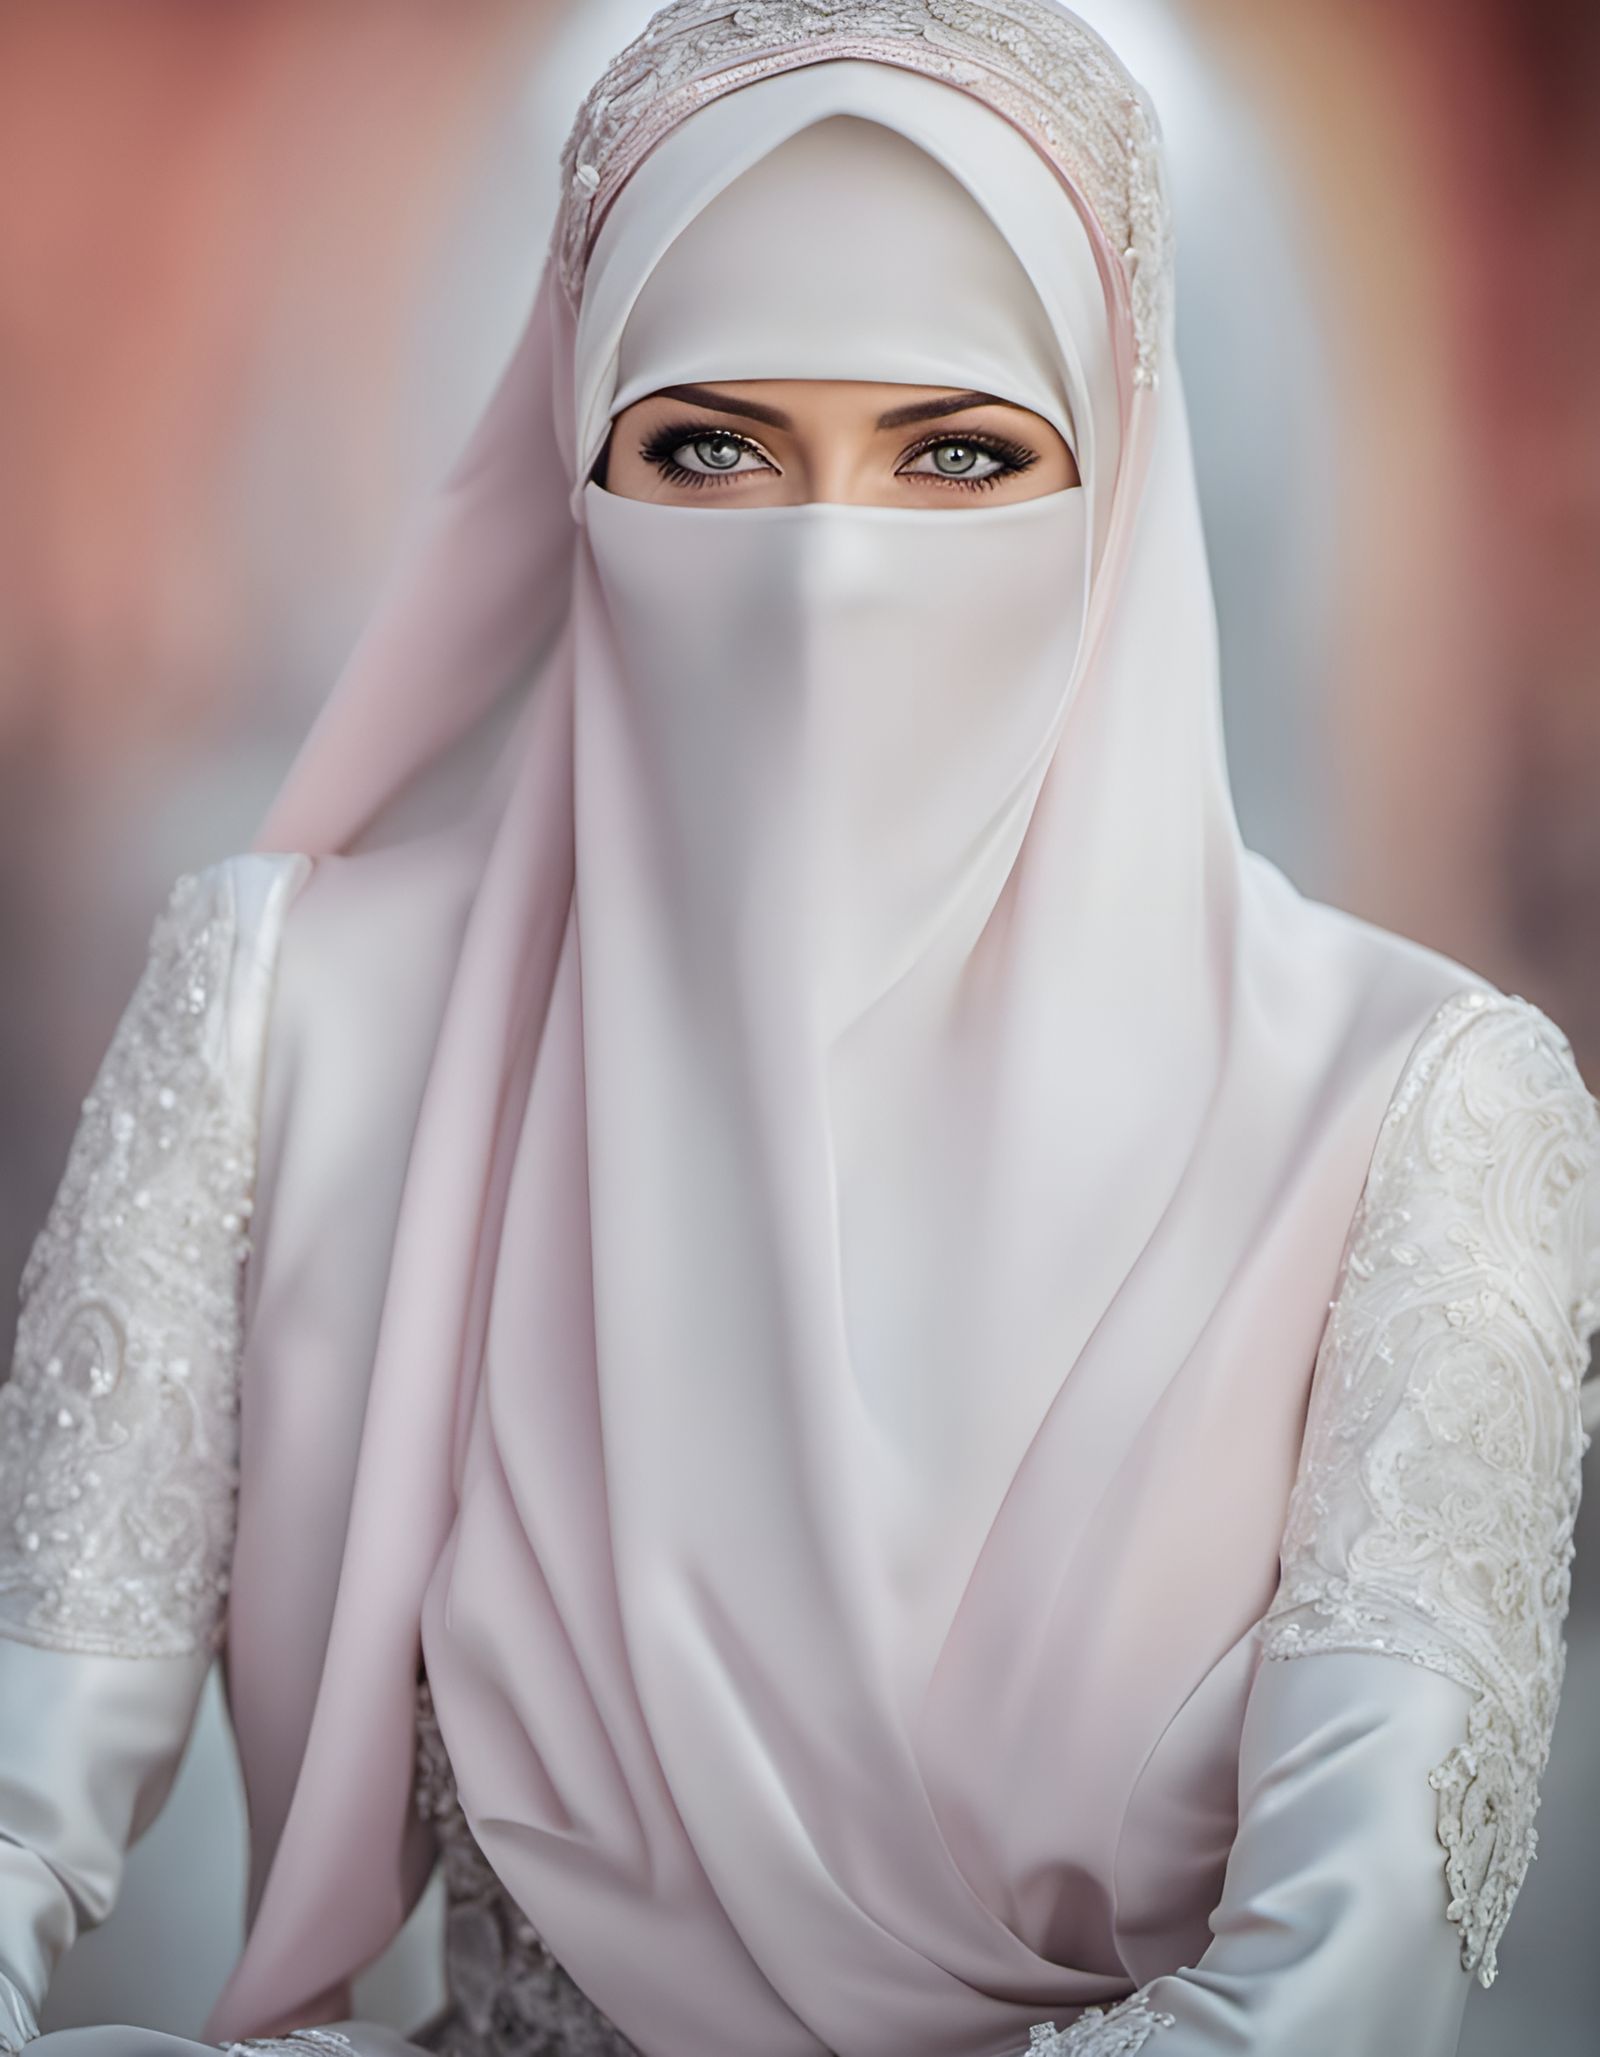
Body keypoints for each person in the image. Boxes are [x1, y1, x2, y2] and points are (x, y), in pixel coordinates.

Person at [2, 4, 1598, 2054]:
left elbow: (1335, 1985)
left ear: (1116, 494)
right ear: (565, 475)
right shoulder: (286, 1025)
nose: (825, 572)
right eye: (709, 449)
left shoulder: (1411, 1118)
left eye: (955, 455)